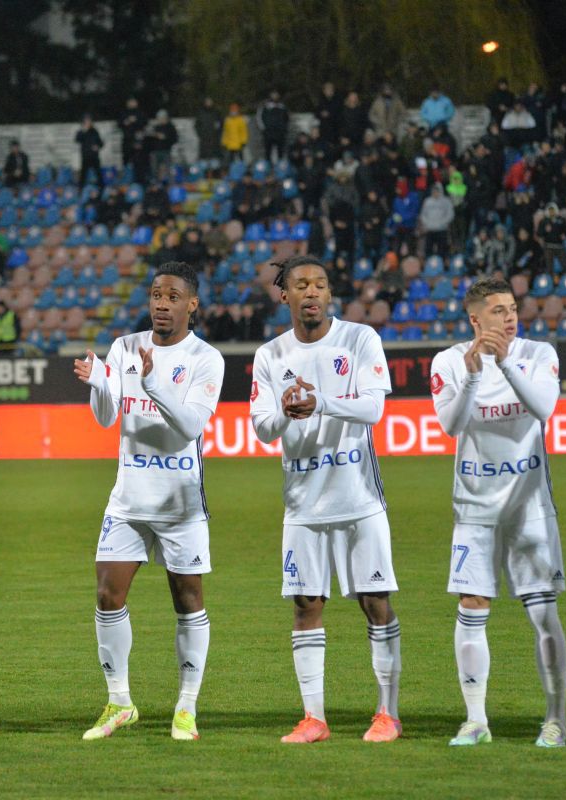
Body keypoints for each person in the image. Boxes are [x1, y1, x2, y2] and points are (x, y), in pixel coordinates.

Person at [250, 255, 401, 744]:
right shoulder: (270, 355)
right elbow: (262, 427)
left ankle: (387, 714)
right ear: (285, 295)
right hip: (302, 504)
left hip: (358, 499)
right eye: (300, 285)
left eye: (319, 284)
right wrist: (288, 413)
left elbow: (375, 407)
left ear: (330, 295)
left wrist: (320, 402)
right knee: (305, 605)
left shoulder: (359, 340)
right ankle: (314, 718)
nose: (310, 292)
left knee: (375, 603)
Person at [73, 262, 225, 742]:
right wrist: (100, 383)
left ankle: (186, 707)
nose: (162, 303)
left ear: (192, 304)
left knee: (188, 601)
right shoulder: (123, 347)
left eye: (173, 296)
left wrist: (154, 382)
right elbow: (105, 418)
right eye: (156, 294)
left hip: (180, 504)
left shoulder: (206, 358)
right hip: (128, 500)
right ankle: (119, 702)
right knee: (106, 595)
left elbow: (190, 427)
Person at [429, 278, 566, 748]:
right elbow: (450, 425)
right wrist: (471, 375)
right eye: (498, 311)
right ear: (475, 320)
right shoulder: (449, 362)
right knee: (471, 608)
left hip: (530, 508)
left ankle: (555, 719)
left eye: (512, 309)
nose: (510, 318)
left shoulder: (539, 353)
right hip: (474, 509)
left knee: (543, 612)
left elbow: (545, 407)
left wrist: (505, 363)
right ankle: (475, 721)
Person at [257, 90, 290, 163]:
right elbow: (259, 117)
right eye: (273, 95)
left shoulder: (282, 106)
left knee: (280, 152)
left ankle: (280, 170)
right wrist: (264, 129)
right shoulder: (265, 106)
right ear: (270, 96)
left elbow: (287, 119)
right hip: (269, 132)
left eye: (276, 95)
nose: (275, 96)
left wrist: (284, 129)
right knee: (267, 152)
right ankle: (268, 169)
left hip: (280, 133)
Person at [75, 114, 104, 188]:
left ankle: (101, 188)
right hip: (86, 156)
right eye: (86, 121)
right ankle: (81, 189)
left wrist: (98, 146)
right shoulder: (81, 131)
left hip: (94, 156)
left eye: (89, 121)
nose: (88, 123)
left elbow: (100, 142)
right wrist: (84, 131)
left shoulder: (94, 131)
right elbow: (77, 140)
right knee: (83, 174)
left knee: (98, 173)